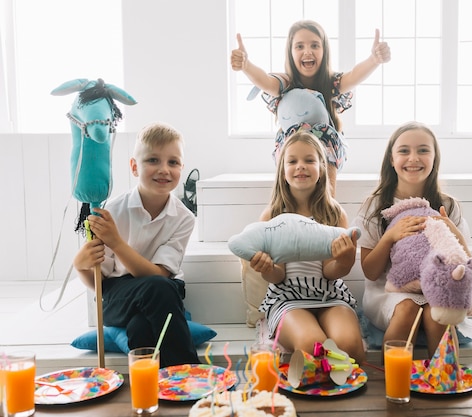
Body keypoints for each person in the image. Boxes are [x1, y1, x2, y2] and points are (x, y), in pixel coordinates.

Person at [73, 122, 200, 367]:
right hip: (119, 294)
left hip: (163, 290)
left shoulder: (184, 218)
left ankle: (157, 388)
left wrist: (117, 243)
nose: (164, 169)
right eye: (153, 160)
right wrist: (81, 267)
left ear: (181, 168)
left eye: (173, 162)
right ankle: (188, 371)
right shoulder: (111, 212)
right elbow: (99, 284)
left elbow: (159, 274)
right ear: (134, 167)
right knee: (158, 289)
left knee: (141, 328)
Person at [352, 121, 472, 358]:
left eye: (423, 150)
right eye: (404, 151)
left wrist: (452, 231)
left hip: (436, 289)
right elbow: (371, 272)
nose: (413, 158)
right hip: (388, 291)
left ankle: (445, 380)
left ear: (435, 158)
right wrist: (389, 238)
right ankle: (393, 387)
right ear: (391, 159)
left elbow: (466, 261)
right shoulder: (376, 206)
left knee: (434, 311)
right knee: (408, 308)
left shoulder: (447, 206)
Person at [231, 19, 391, 196]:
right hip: (292, 151)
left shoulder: (331, 83)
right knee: (294, 140)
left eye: (315, 45)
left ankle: (327, 205)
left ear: (324, 51)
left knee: (323, 134)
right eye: (299, 46)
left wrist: (374, 60)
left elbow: (354, 76)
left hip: (325, 153)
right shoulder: (286, 82)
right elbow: (266, 82)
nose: (307, 51)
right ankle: (289, 205)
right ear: (291, 53)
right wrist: (246, 66)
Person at [250, 130, 366, 364]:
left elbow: (329, 271)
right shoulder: (273, 215)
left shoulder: (333, 213)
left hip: (329, 295)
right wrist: (266, 267)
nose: (300, 166)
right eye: (292, 161)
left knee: (350, 347)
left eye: (309, 160)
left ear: (322, 168)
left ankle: (343, 396)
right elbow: (278, 275)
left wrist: (345, 260)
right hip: (288, 297)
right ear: (283, 171)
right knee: (312, 347)